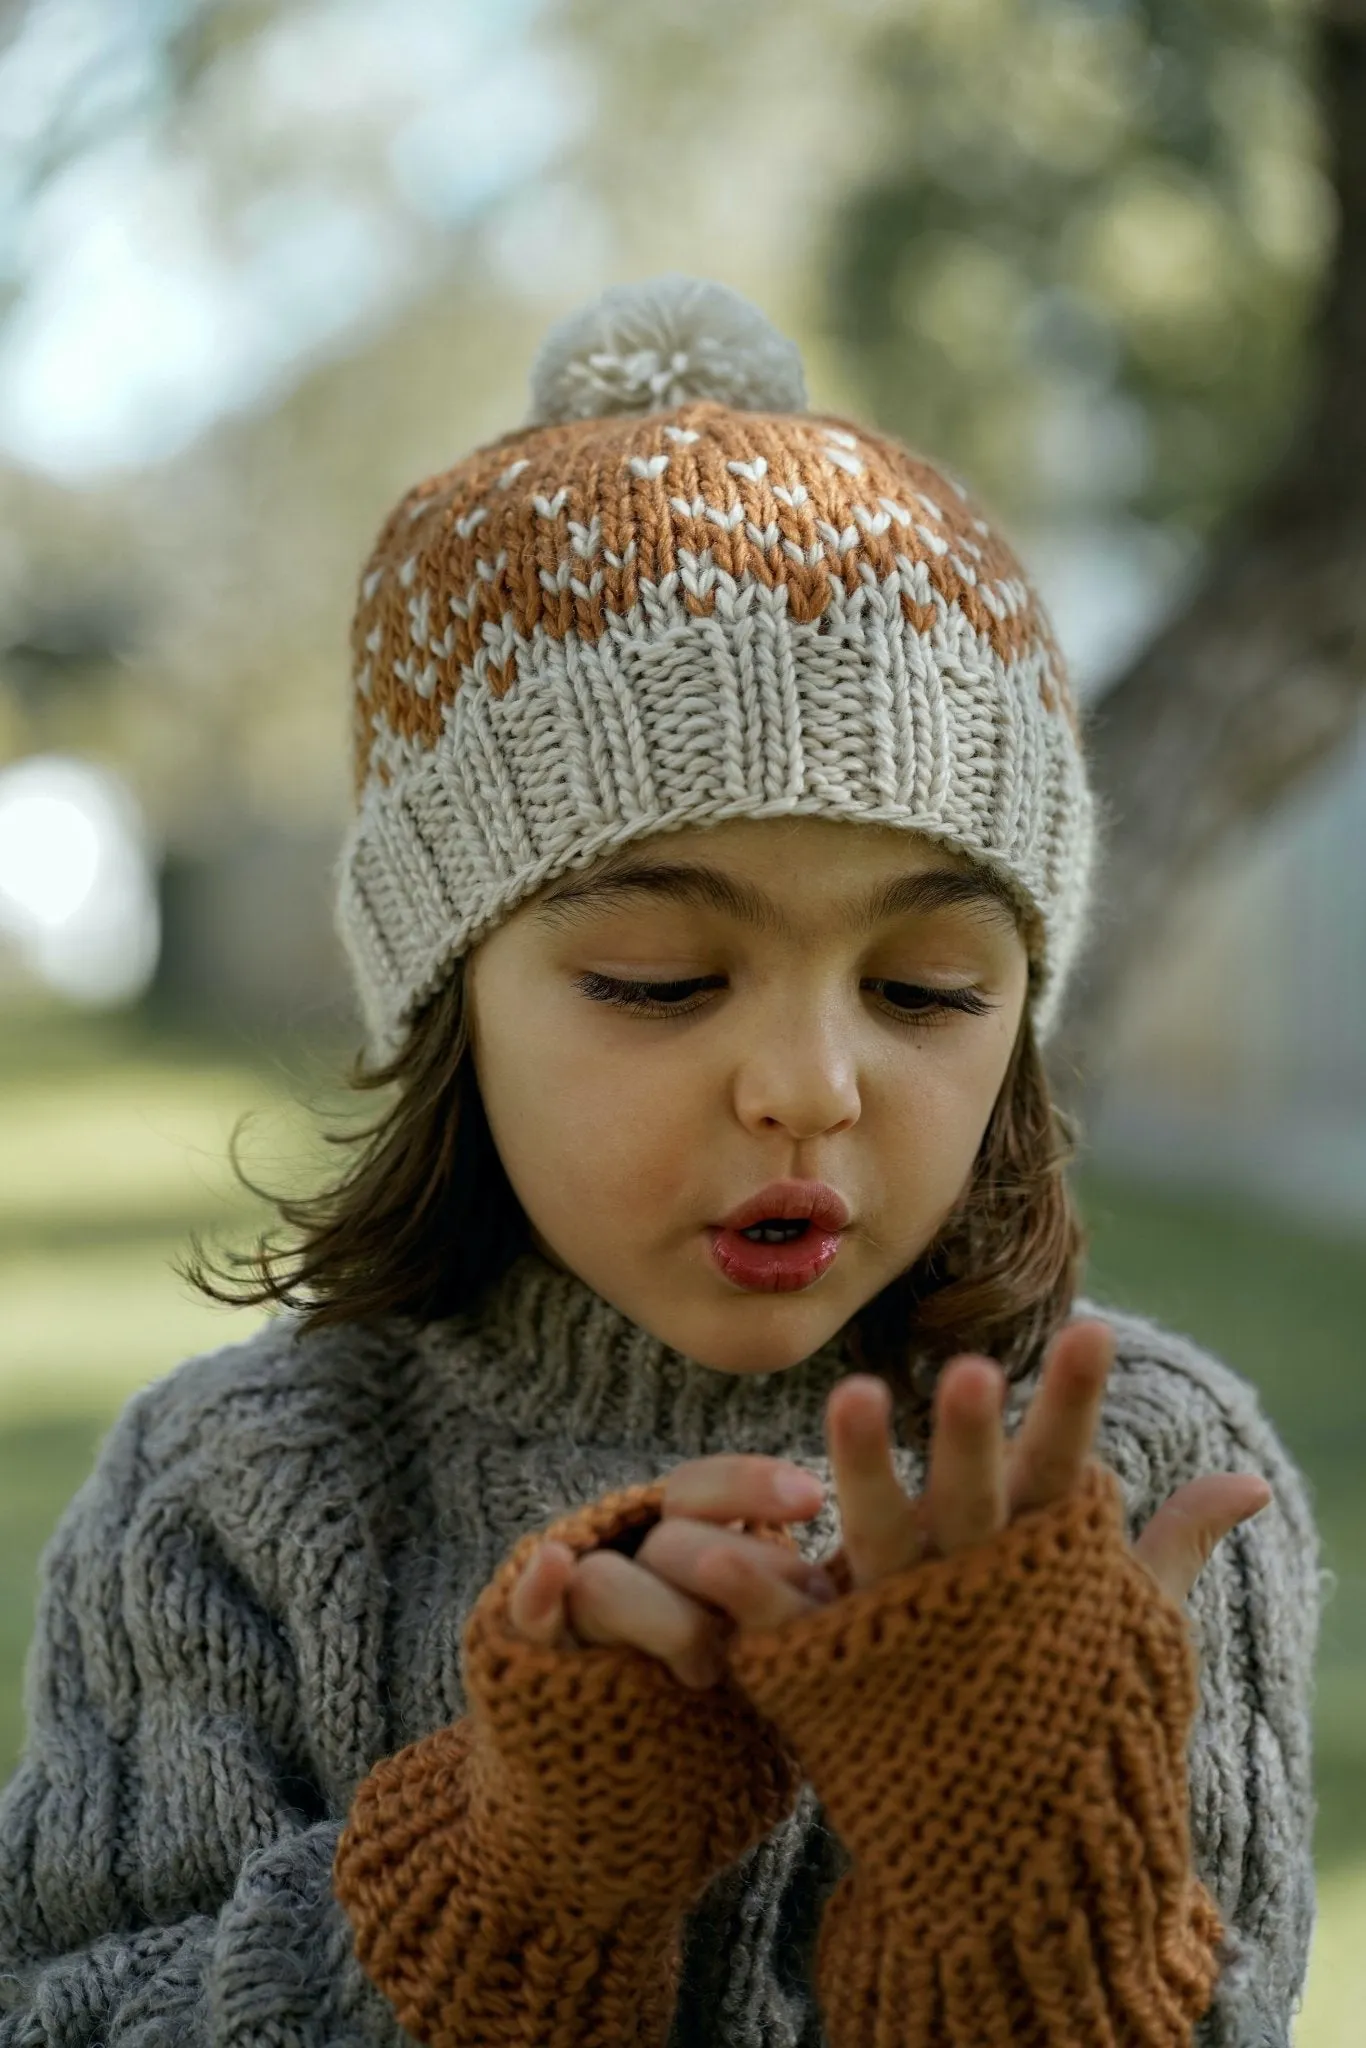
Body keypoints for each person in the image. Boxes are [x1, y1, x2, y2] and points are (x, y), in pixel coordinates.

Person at [0, 277, 1323, 2048]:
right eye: (658, 980)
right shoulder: (236, 1500)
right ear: (451, 996)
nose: (805, 1086)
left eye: (927, 989)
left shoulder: (1130, 1491)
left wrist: (1019, 1892)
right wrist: (509, 1872)